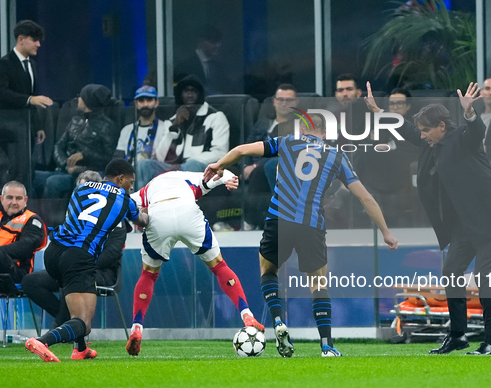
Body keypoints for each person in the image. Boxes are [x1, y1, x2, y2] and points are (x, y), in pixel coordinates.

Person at [204, 113, 399, 358]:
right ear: (325, 133)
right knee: (318, 283)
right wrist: (386, 232)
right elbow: (365, 197)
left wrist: (219, 164)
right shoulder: (337, 156)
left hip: (279, 219)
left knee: (269, 271)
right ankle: (327, 346)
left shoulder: (287, 143)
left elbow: (242, 149)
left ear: (302, 129)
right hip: (311, 225)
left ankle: (277, 322)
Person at [365, 81, 491, 355]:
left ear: (442, 126)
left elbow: (477, 131)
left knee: (482, 274)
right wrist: (379, 111)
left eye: (427, 129)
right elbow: (407, 129)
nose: (423, 135)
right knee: (451, 272)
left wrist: (469, 113)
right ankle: (457, 336)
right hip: (464, 223)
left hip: (489, 217)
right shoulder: (431, 141)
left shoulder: (463, 138)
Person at [125, 169, 264, 356]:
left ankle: (136, 327)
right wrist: (231, 179)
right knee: (219, 266)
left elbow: (122, 202)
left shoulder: (146, 190)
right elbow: (220, 173)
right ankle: (248, 316)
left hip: (158, 216)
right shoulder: (192, 177)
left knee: (148, 274)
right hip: (187, 213)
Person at [25, 159, 149, 362]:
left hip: (53, 251)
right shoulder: (125, 200)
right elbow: (142, 222)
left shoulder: (81, 188)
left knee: (75, 303)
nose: (132, 187)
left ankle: (80, 349)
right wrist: (149, 212)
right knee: (83, 321)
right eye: (131, 181)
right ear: (120, 178)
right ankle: (42, 340)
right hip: (78, 256)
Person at [136, 75, 230, 186]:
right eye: (186, 91)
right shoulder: (172, 121)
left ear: (200, 94)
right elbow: (159, 157)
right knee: (143, 165)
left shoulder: (215, 117)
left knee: (191, 165)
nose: (190, 95)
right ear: (180, 95)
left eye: (193, 91)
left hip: (202, 169)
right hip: (173, 170)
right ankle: (139, 202)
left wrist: (184, 165)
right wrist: (175, 126)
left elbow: (221, 153)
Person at [0, 20, 53, 188]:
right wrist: (29, 100)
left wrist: (38, 126)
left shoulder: (32, 65)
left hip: (26, 129)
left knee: (26, 171)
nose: (38, 45)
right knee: (15, 171)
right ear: (21, 39)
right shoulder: (4, 64)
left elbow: (33, 97)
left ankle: (24, 209)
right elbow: (0, 92)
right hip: (8, 128)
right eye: (34, 40)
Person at [33, 84, 117, 199]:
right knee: (32, 176)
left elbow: (108, 158)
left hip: (86, 173)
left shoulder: (107, 126)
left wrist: (84, 156)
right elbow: (58, 146)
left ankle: (57, 216)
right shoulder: (75, 120)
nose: (78, 99)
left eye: (81, 96)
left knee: (53, 182)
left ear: (88, 101)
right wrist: (66, 165)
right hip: (65, 170)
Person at [242, 83, 297, 229]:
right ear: (274, 102)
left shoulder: (298, 126)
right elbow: (248, 145)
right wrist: (246, 165)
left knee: (262, 169)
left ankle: (251, 221)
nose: (284, 104)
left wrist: (254, 166)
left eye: (289, 100)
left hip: (277, 165)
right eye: (281, 100)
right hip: (256, 166)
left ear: (295, 103)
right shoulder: (263, 123)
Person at [0, 181, 47, 283]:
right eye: (9, 198)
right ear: (2, 199)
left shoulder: (32, 220)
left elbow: (24, 247)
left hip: (16, 271)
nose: (14, 202)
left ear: (25, 200)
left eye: (18, 198)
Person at [115, 85, 169, 189]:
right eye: (141, 101)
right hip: (128, 178)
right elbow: (118, 158)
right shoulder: (127, 130)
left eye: (149, 100)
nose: (145, 104)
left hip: (154, 178)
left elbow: (165, 162)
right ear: (136, 104)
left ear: (156, 103)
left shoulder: (165, 128)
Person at [174, 25, 231, 95]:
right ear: (200, 42)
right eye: (213, 42)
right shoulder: (184, 66)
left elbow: (227, 88)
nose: (217, 46)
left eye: (219, 42)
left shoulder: (218, 66)